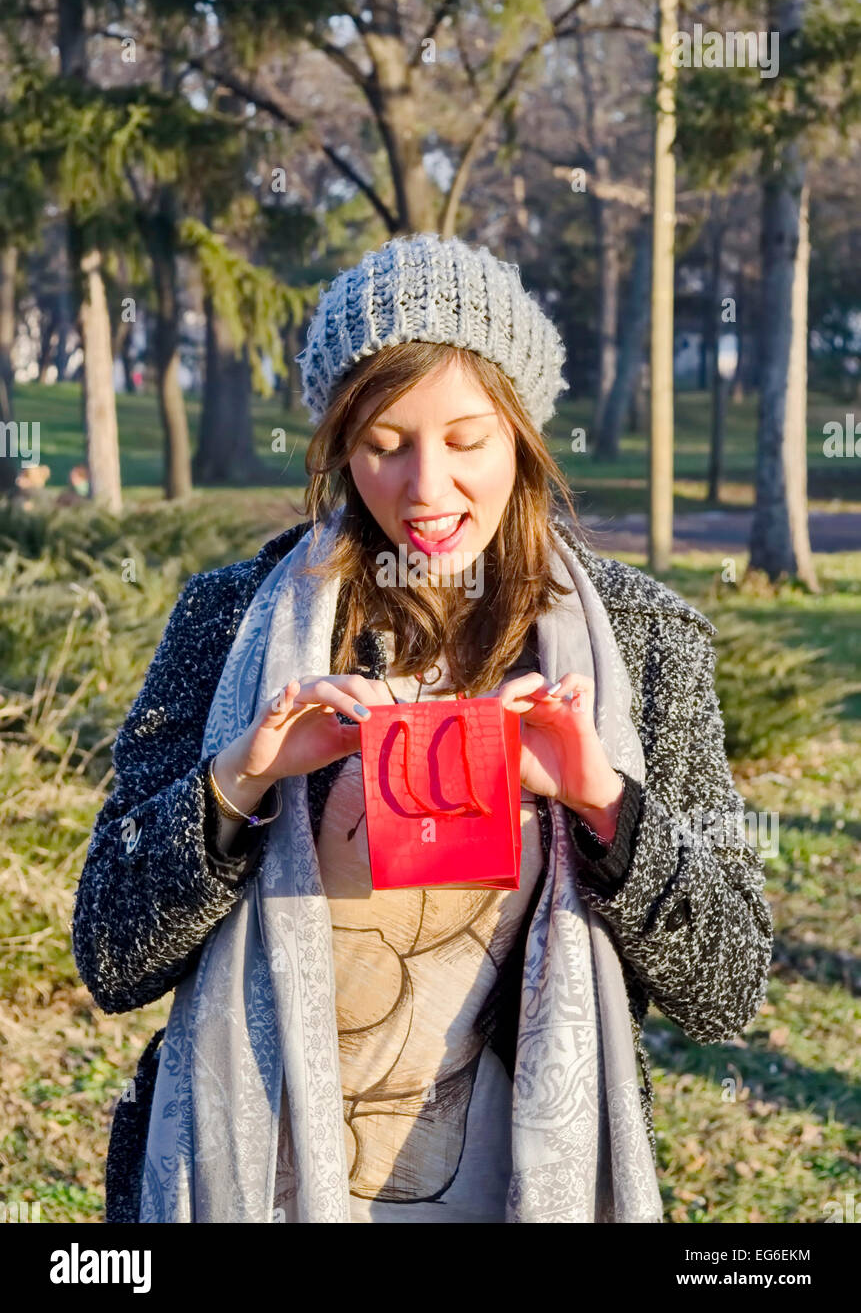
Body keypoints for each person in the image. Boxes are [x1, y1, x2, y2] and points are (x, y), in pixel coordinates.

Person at [72, 231, 772, 1224]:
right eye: (384, 444)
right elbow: (111, 952)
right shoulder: (234, 624)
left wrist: (604, 803)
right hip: (254, 1180)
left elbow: (729, 981)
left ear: (523, 432)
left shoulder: (645, 642)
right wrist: (240, 779)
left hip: (518, 1187)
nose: (427, 490)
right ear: (339, 445)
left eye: (466, 440)